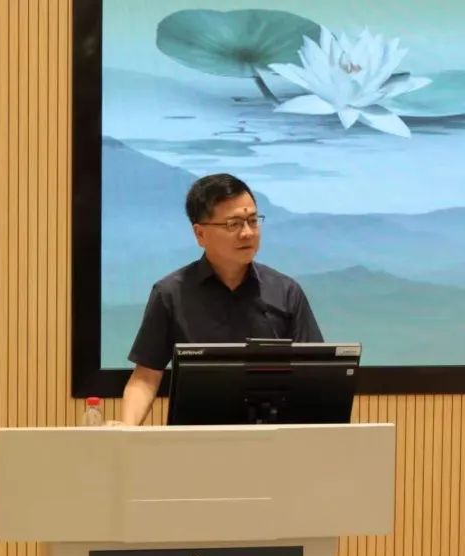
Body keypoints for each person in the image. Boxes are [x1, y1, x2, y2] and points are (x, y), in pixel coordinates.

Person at [118, 173, 323, 425]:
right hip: (195, 441)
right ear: (200, 234)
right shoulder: (170, 293)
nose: (247, 233)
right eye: (233, 224)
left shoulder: (286, 292)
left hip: (272, 439)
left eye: (252, 221)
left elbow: (315, 373)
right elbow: (146, 378)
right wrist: (126, 430)